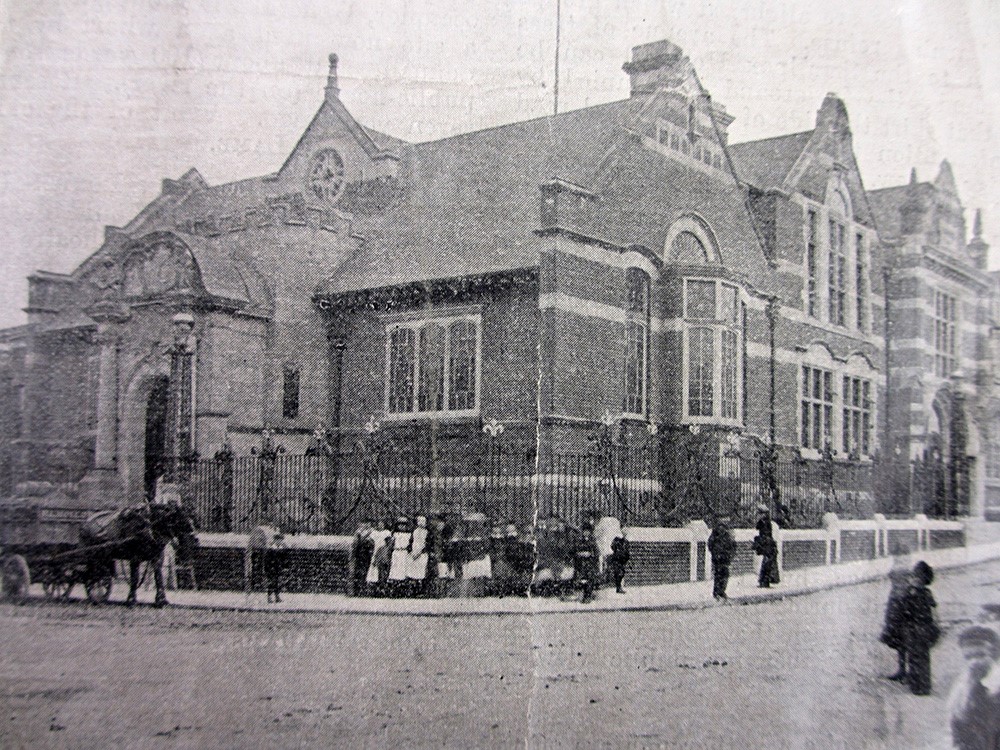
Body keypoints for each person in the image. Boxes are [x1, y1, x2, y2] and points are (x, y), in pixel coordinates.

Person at [948, 625, 1000, 750]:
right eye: (969, 657)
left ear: (993, 655)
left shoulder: (996, 684)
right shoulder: (962, 683)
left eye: (980, 656)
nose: (974, 662)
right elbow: (953, 720)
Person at [900, 560, 939, 696]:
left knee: (917, 656)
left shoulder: (912, 592)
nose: (914, 580)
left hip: (917, 628)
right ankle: (920, 685)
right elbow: (934, 611)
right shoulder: (925, 593)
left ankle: (919, 685)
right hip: (919, 628)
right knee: (920, 656)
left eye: (917, 577)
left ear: (923, 580)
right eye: (914, 577)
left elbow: (933, 611)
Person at [879, 547, 912, 682]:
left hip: (905, 605)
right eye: (898, 555)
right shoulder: (900, 567)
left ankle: (908, 671)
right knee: (899, 639)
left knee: (907, 638)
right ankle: (902, 669)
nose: (899, 558)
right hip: (895, 604)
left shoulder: (907, 570)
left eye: (901, 555)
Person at [708, 516, 736, 600]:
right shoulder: (723, 532)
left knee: (720, 575)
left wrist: (715, 553)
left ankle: (719, 592)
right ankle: (719, 592)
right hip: (722, 557)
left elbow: (710, 544)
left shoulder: (722, 532)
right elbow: (733, 545)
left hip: (721, 557)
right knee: (722, 575)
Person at [753, 504, 779, 588]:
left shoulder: (763, 522)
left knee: (767, 562)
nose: (759, 515)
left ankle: (764, 581)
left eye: (760, 513)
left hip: (766, 544)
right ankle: (765, 581)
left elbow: (758, 528)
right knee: (767, 562)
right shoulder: (767, 521)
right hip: (768, 544)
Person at [575, 525, 601, 604]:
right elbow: (574, 551)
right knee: (582, 580)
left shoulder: (592, 541)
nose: (586, 533)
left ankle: (588, 596)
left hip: (590, 564)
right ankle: (583, 595)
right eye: (584, 531)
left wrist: (590, 554)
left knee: (589, 579)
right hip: (581, 564)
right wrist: (581, 554)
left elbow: (597, 553)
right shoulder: (579, 541)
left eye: (587, 531)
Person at [351, 522, 376, 597]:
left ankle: (365, 591)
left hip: (368, 555)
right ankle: (358, 591)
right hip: (360, 555)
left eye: (368, 524)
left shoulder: (372, 532)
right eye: (364, 523)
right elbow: (355, 544)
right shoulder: (359, 533)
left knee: (367, 572)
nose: (365, 525)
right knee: (359, 573)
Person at [407, 516, 429, 595]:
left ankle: (422, 591)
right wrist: (411, 552)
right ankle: (413, 590)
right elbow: (411, 542)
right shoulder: (414, 531)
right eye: (419, 521)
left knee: (421, 572)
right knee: (413, 572)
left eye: (423, 521)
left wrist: (420, 553)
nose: (421, 523)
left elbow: (427, 544)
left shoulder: (427, 532)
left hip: (422, 554)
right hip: (413, 553)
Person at [264, 533, 289, 603]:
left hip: (278, 568)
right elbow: (267, 560)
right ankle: (269, 597)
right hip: (271, 568)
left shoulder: (281, 549)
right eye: (278, 540)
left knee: (278, 583)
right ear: (275, 540)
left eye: (281, 540)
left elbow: (284, 559)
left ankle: (277, 596)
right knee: (272, 583)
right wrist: (268, 568)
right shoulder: (271, 549)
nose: (280, 542)